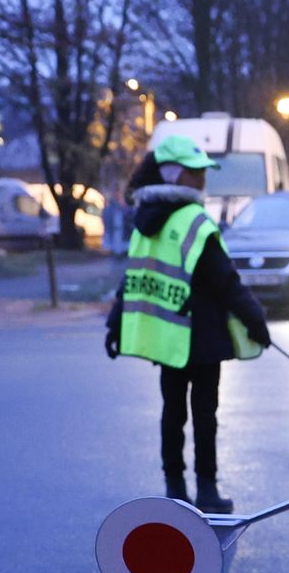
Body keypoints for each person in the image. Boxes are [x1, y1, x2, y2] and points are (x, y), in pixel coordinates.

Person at [105, 134, 271, 515]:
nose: (202, 180)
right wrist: (255, 321)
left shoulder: (144, 221)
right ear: (176, 175)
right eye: (196, 173)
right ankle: (208, 492)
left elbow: (132, 277)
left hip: (168, 338)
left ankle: (175, 488)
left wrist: (115, 323)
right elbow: (224, 279)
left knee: (172, 413)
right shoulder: (194, 220)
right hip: (204, 337)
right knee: (204, 416)